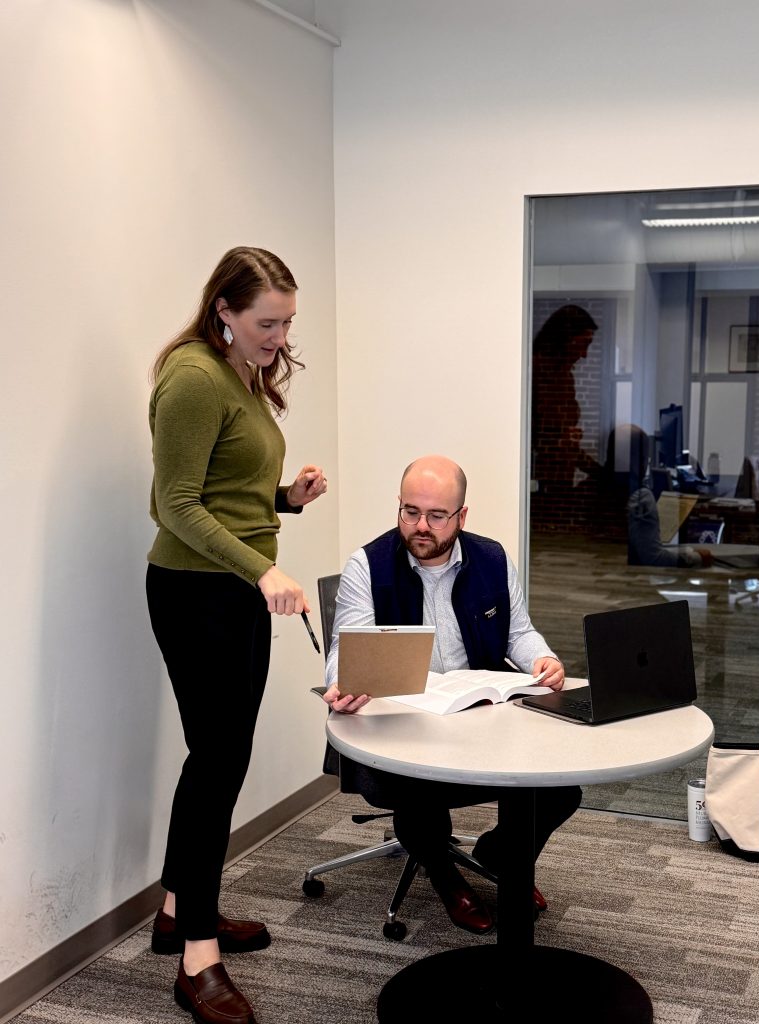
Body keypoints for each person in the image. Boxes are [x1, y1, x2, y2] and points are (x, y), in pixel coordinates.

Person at [146, 246, 327, 1024]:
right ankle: (196, 961)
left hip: (235, 591)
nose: (279, 337)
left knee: (221, 758)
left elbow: (231, 490)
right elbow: (175, 506)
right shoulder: (191, 377)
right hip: (197, 594)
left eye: (287, 322)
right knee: (216, 764)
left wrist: (286, 497)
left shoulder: (242, 375)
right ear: (223, 308)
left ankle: (176, 910)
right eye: (266, 322)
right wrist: (260, 570)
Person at [323, 455, 582, 934]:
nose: (421, 526)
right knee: (414, 788)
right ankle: (446, 877)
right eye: (409, 511)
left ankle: (497, 857)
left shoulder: (492, 558)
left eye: (436, 515)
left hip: (479, 720)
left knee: (561, 788)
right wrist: (345, 679)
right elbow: (345, 646)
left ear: (462, 516)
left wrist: (541, 659)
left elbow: (518, 633)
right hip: (400, 728)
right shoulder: (368, 565)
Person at [530, 304, 602, 531]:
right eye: (582, 344)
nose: (584, 354)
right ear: (565, 340)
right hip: (544, 487)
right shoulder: (535, 373)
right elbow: (535, 438)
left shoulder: (564, 377)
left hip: (559, 482)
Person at [607, 423, 710, 568]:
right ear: (636, 459)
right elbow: (654, 558)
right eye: (644, 457)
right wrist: (696, 558)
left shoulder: (595, 488)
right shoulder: (640, 498)